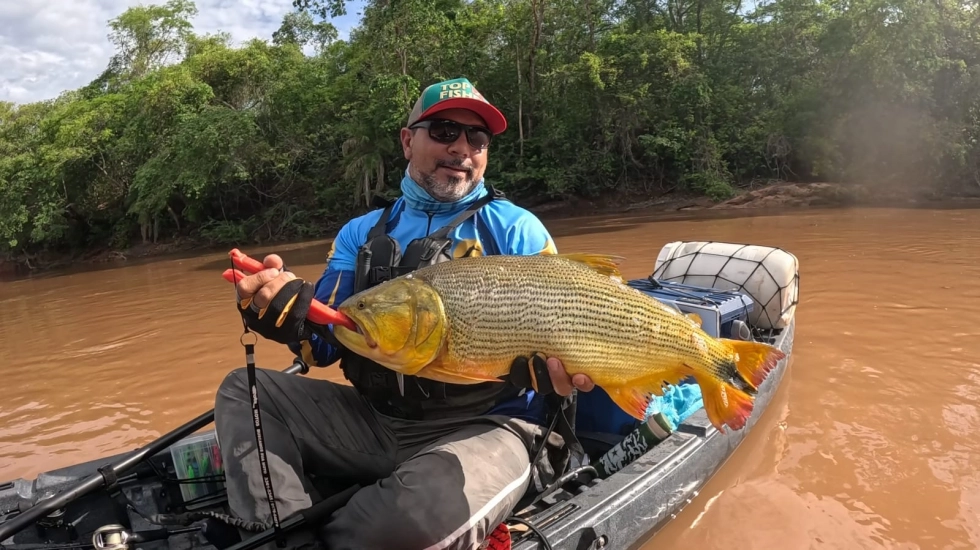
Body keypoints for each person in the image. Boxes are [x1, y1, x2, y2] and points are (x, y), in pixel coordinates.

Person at [214, 77, 596, 550]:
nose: (462, 148)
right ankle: (285, 538)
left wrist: (560, 376)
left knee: (409, 521)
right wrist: (282, 311)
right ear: (407, 141)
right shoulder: (360, 233)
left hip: (490, 426)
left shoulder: (517, 229)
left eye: (477, 138)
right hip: (377, 419)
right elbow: (324, 343)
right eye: (445, 131)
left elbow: (571, 328)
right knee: (244, 390)